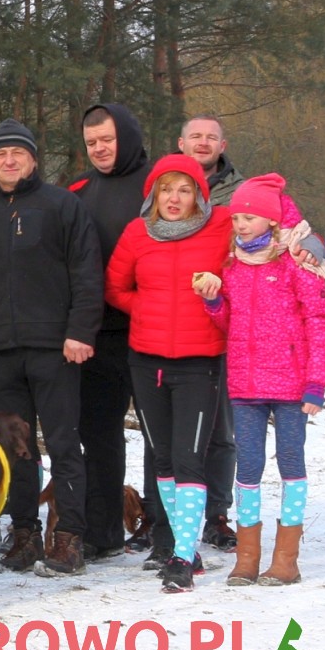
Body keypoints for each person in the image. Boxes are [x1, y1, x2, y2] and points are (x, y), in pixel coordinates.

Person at [0, 118, 103, 574]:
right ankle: (24, 535)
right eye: (0, 154)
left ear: (33, 159)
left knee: (63, 443)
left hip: (55, 348)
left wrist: (81, 331)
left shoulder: (62, 206)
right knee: (14, 449)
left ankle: (69, 537)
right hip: (0, 350)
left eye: (17, 152)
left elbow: (86, 272)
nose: (8, 160)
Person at [103, 154, 233, 590]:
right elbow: (115, 286)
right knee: (162, 458)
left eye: (184, 190)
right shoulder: (137, 233)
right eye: (165, 189)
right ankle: (186, 548)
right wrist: (148, 310)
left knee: (189, 458)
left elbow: (273, 221)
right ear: (153, 194)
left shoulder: (222, 226)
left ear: (199, 195)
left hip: (200, 362)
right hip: (146, 360)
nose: (174, 198)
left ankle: (180, 555)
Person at [205, 175, 325, 589]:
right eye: (237, 217)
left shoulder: (298, 264)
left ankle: (286, 559)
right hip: (245, 387)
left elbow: (319, 324)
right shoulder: (233, 266)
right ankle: (247, 557)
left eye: (250, 217)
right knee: (248, 468)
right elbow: (229, 322)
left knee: (291, 463)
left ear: (271, 221)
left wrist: (317, 384)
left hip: (292, 387)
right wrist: (213, 302)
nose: (241, 224)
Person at [72, 103, 167, 560]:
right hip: (99, 334)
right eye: (91, 143)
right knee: (100, 435)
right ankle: (103, 530)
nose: (99, 150)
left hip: (155, 330)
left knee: (159, 436)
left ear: (126, 136)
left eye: (107, 140)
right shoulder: (78, 191)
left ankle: (161, 528)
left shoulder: (158, 185)